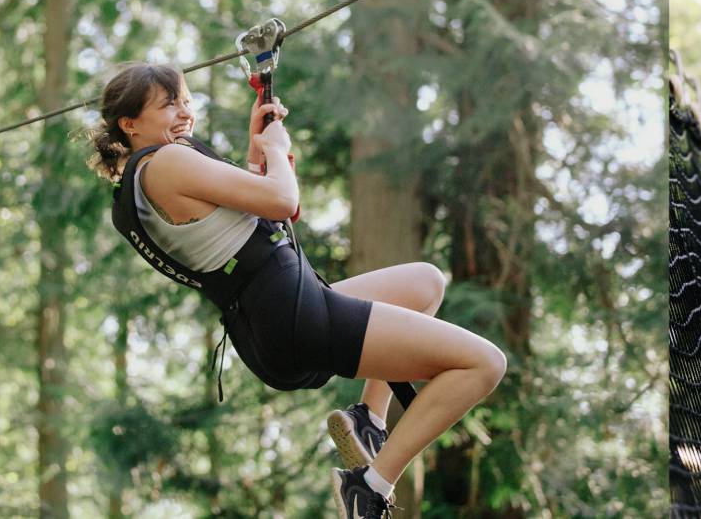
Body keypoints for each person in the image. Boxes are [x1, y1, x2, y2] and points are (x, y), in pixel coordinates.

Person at [88, 63, 507, 518]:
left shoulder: (136, 190)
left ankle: (368, 422)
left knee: (423, 283)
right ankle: (371, 487)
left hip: (274, 318)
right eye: (169, 104)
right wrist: (277, 145)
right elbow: (283, 203)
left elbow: (246, 219)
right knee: (483, 364)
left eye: (186, 100)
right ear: (129, 124)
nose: (184, 112)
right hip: (292, 313)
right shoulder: (168, 161)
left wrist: (257, 147)